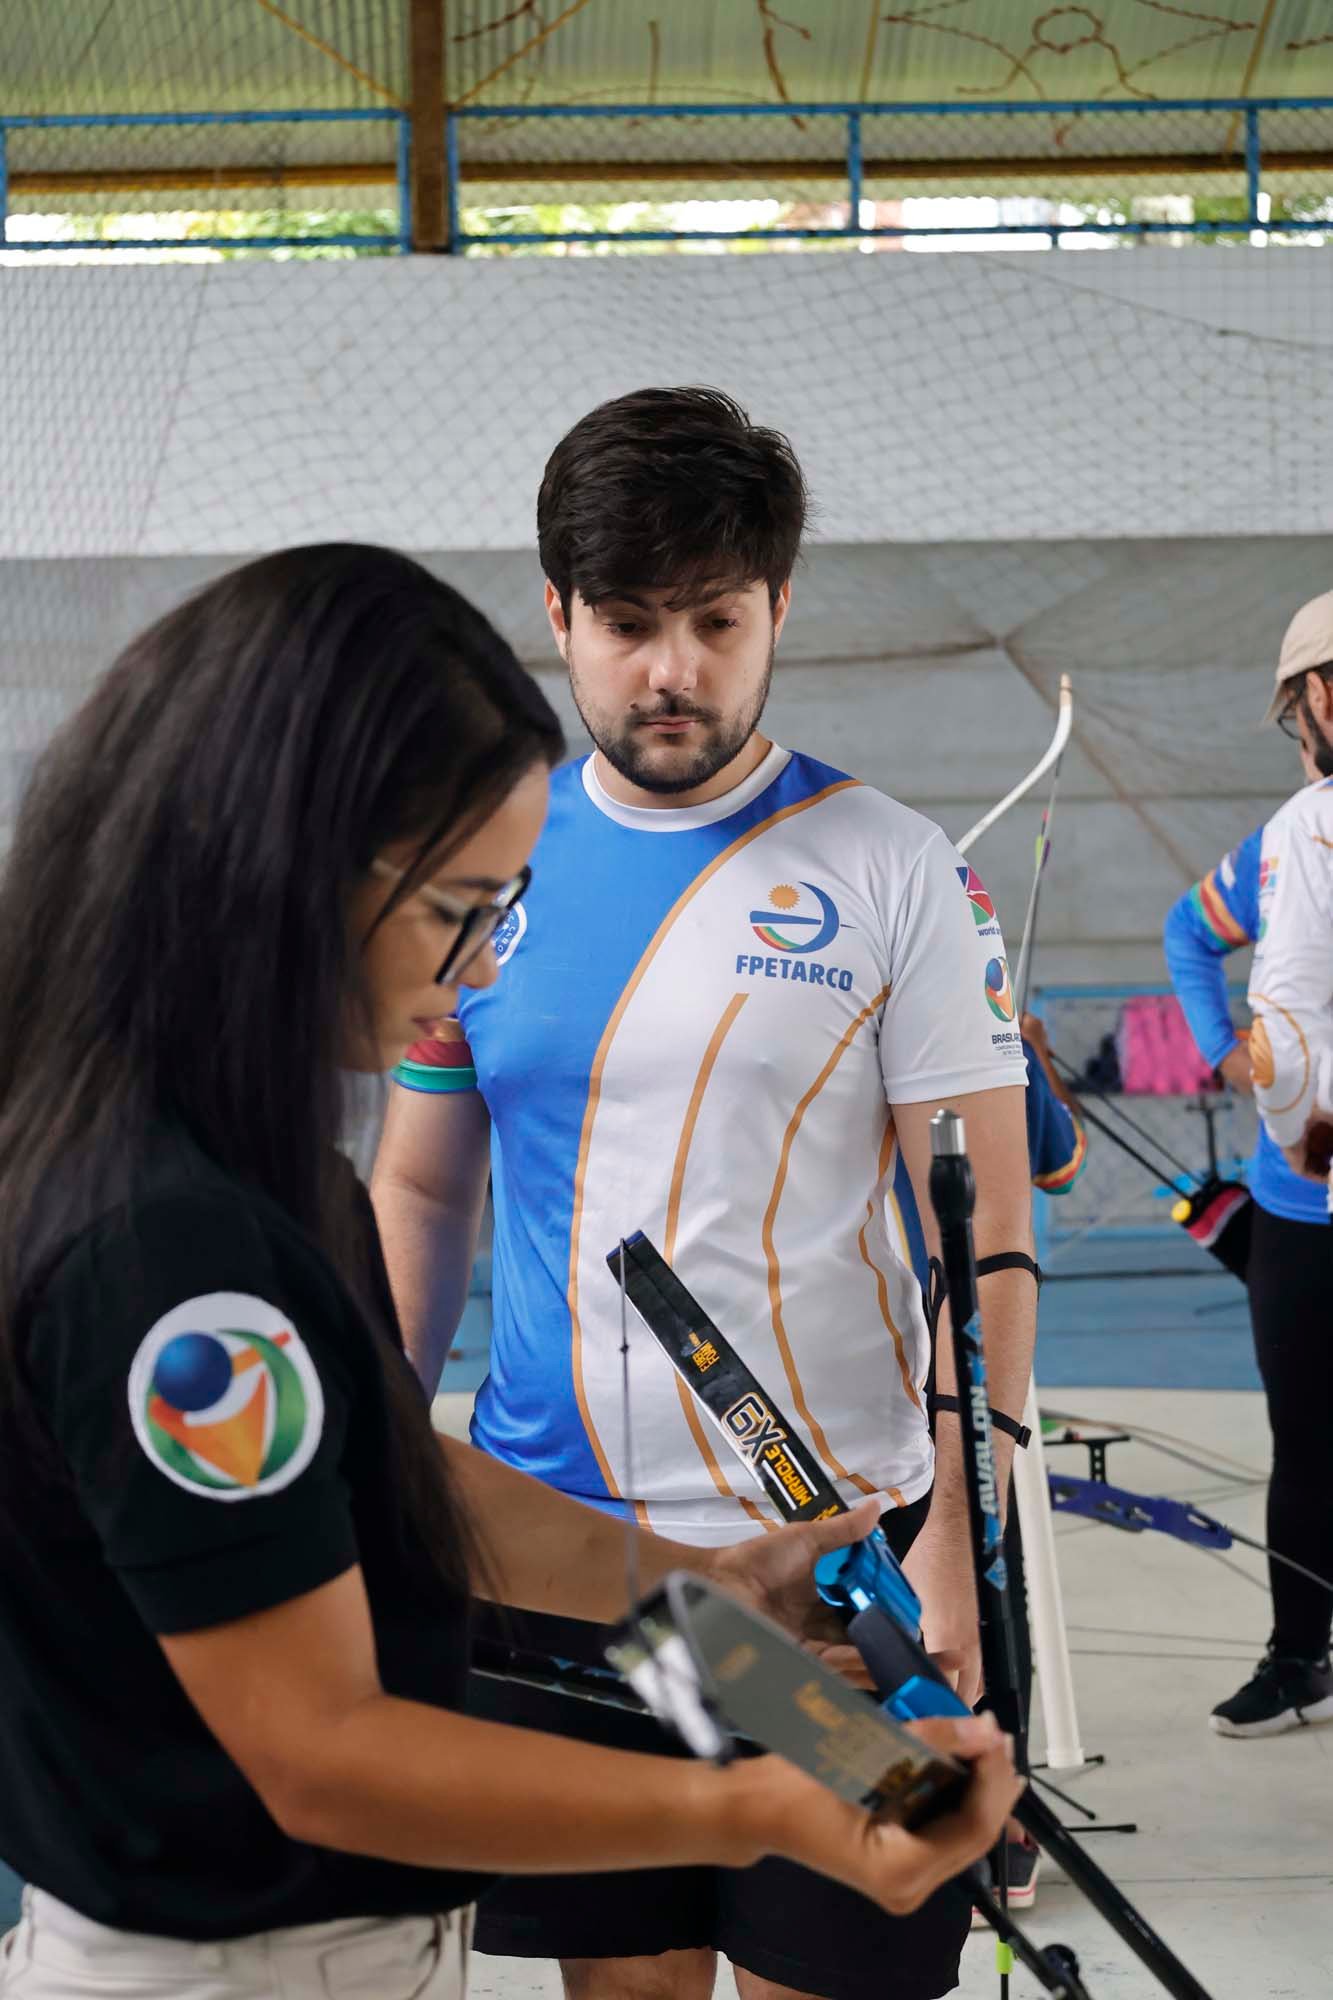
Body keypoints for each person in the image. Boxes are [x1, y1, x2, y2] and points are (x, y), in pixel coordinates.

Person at [0, 546, 1021, 2000]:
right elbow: (323, 1754)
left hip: (343, 1929)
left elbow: (367, 1473)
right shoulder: (172, 1257)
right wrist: (772, 1810)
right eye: (458, 911)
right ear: (280, 870)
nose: (482, 970)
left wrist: (705, 1580)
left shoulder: (249, 1175)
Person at [373, 390, 1036, 2000]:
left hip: (826, 1580)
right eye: (628, 623)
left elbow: (991, 1242)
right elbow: (422, 1190)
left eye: (715, 621)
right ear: (559, 615)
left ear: (778, 608)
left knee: (834, 1976)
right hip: (571, 1568)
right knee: (628, 1986)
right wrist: (369, 1474)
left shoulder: (892, 868)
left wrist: (963, 1538)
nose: (671, 669)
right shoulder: (485, 863)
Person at [1163, 588, 1333, 1738]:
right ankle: (1299, 1652)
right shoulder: (1282, 844)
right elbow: (1187, 929)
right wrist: (1222, 1049)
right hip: (1298, 1204)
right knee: (1306, 1441)